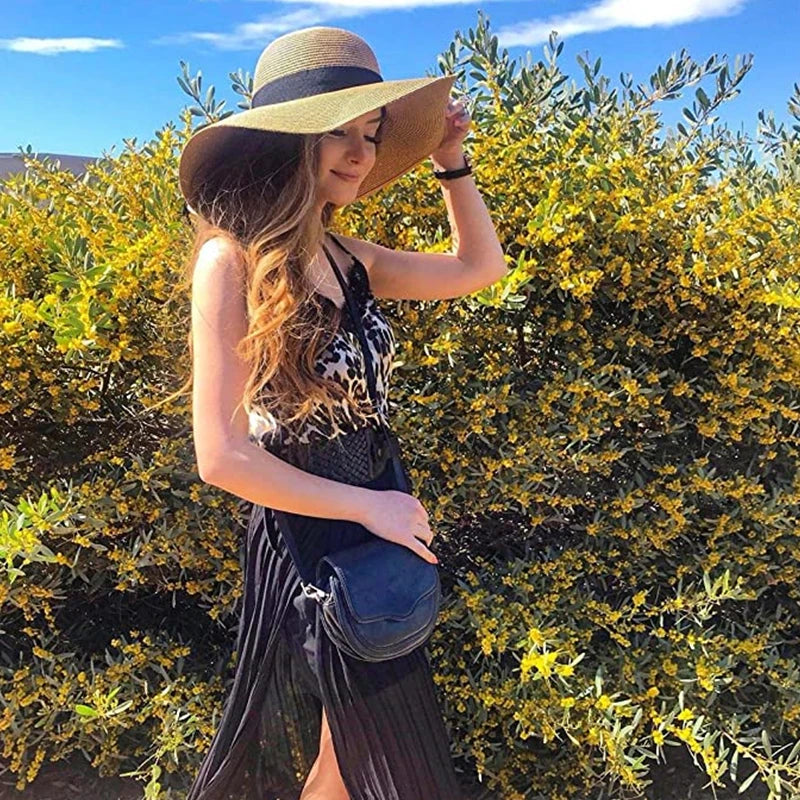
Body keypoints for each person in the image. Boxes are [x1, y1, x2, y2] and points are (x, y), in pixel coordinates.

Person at [177, 25, 507, 800]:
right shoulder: (231, 260)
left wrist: (451, 162)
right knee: (360, 742)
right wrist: (368, 508)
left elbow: (479, 267)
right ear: (289, 140)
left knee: (352, 743)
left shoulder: (348, 258)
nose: (361, 152)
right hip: (306, 526)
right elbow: (220, 455)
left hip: (376, 508)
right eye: (339, 131)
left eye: (373, 132)